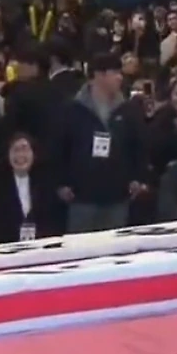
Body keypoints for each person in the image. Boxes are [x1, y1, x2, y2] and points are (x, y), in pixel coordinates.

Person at [54, 53, 149, 233]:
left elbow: (139, 146)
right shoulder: (73, 109)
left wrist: (138, 178)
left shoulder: (128, 109)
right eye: (115, 72)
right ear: (99, 75)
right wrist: (61, 183)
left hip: (117, 197)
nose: (120, 78)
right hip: (81, 197)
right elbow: (59, 148)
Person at [0, 133, 59, 242]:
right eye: (15, 150)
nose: (20, 155)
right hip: (7, 244)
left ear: (33, 154)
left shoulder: (45, 181)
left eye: (24, 149)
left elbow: (51, 219)